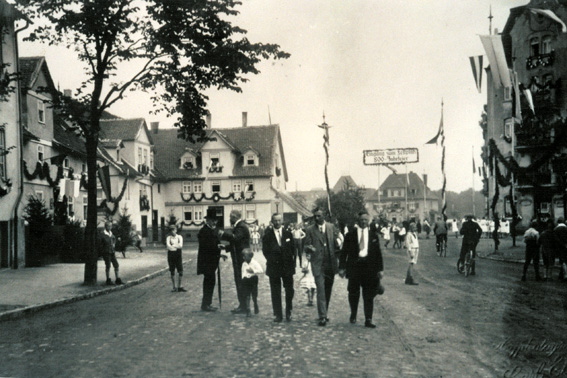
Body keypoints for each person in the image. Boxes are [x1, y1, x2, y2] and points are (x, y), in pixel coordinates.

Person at [339, 211, 384, 328]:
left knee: (368, 294)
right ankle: (353, 313)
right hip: (354, 267)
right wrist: (342, 267)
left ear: (368, 221)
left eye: (365, 220)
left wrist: (380, 269)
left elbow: (378, 253)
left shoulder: (373, 235)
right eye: (361, 220)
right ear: (358, 221)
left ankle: (368, 319)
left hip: (369, 269)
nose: (363, 222)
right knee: (353, 293)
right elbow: (344, 253)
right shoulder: (350, 235)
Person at [303, 207, 342, 326]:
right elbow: (306, 246)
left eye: (319, 216)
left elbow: (337, 241)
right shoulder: (310, 229)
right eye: (315, 216)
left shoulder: (331, 227)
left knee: (328, 290)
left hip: (330, 263)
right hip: (318, 264)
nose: (316, 218)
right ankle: (322, 316)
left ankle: (325, 312)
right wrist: (310, 249)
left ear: (323, 216)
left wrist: (338, 243)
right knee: (320, 290)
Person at [263, 213, 295, 322]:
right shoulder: (267, 235)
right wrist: (273, 260)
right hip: (274, 267)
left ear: (282, 221)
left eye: (279, 220)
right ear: (272, 222)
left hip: (287, 267)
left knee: (289, 290)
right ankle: (278, 314)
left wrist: (292, 264)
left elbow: (293, 250)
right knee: (275, 291)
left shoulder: (288, 234)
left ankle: (288, 311)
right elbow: (265, 251)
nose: (277, 223)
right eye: (275, 221)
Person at [220, 210, 251, 314]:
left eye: (230, 216)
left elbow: (236, 238)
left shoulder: (241, 226)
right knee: (240, 281)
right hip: (239, 258)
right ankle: (243, 305)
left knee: (240, 281)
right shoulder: (240, 226)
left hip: (240, 259)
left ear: (235, 217)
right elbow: (236, 243)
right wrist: (225, 247)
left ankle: (244, 306)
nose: (229, 219)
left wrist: (223, 234)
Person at [197, 209, 226, 311]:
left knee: (211, 282)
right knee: (208, 283)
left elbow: (214, 245)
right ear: (207, 220)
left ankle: (207, 304)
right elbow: (206, 246)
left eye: (216, 220)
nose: (215, 222)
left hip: (212, 261)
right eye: (213, 220)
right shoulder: (203, 231)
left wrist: (220, 254)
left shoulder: (212, 230)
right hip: (206, 262)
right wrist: (217, 246)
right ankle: (205, 305)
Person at [99, 221, 123, 286]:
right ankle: (108, 279)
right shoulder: (103, 234)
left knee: (116, 265)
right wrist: (102, 252)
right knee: (108, 266)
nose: (110, 227)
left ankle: (117, 279)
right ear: (105, 226)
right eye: (108, 226)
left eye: (111, 226)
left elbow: (114, 239)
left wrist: (114, 244)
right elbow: (100, 244)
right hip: (106, 252)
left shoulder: (111, 234)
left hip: (112, 252)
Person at [241, 248, 263, 317]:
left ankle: (255, 303)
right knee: (247, 295)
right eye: (243, 256)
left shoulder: (254, 263)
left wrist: (253, 271)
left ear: (250, 256)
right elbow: (243, 272)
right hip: (246, 280)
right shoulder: (244, 264)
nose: (243, 258)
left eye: (245, 256)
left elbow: (261, 270)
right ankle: (248, 309)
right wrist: (243, 278)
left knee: (254, 294)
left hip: (253, 279)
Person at [166, 225, 185, 292]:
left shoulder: (179, 237)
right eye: (171, 230)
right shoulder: (168, 238)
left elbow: (180, 246)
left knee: (180, 270)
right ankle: (174, 287)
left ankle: (179, 286)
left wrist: (173, 246)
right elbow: (168, 246)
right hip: (171, 255)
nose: (172, 231)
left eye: (173, 230)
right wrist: (175, 247)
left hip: (178, 255)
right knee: (172, 271)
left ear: (176, 230)